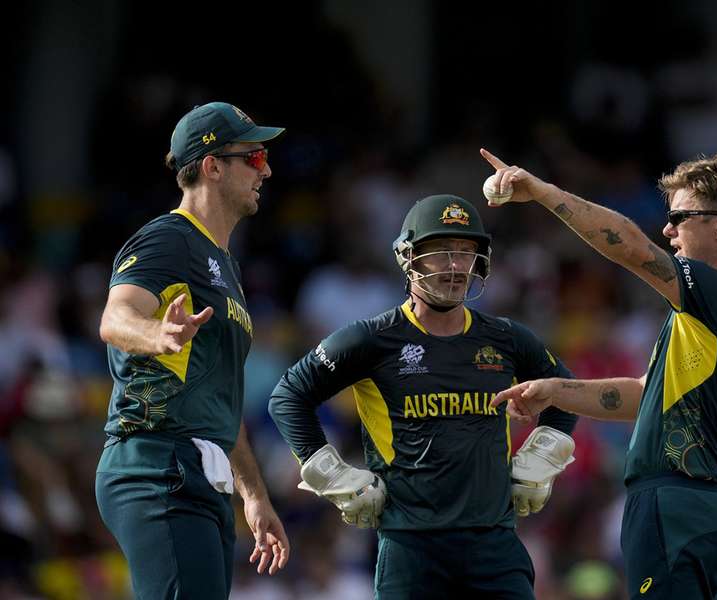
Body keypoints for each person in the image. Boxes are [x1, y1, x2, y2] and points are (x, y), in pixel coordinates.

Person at [483, 148, 717, 600]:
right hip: (695, 504)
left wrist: (544, 193)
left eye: (681, 216)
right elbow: (644, 397)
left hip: (676, 502)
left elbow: (635, 250)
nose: (668, 228)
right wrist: (555, 390)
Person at [268, 194, 578, 599]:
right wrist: (328, 470)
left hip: (495, 545)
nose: (454, 266)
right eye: (441, 253)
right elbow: (289, 395)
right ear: (408, 257)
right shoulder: (371, 339)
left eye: (466, 253)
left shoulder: (506, 338)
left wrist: (542, 455)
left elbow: (566, 391)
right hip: (410, 546)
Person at [95, 102, 291, 599]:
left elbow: (223, 400)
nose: (265, 169)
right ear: (212, 166)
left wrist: (254, 496)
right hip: (157, 464)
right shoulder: (169, 239)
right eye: (254, 156)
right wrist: (156, 335)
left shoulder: (223, 265)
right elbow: (115, 318)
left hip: (195, 473)